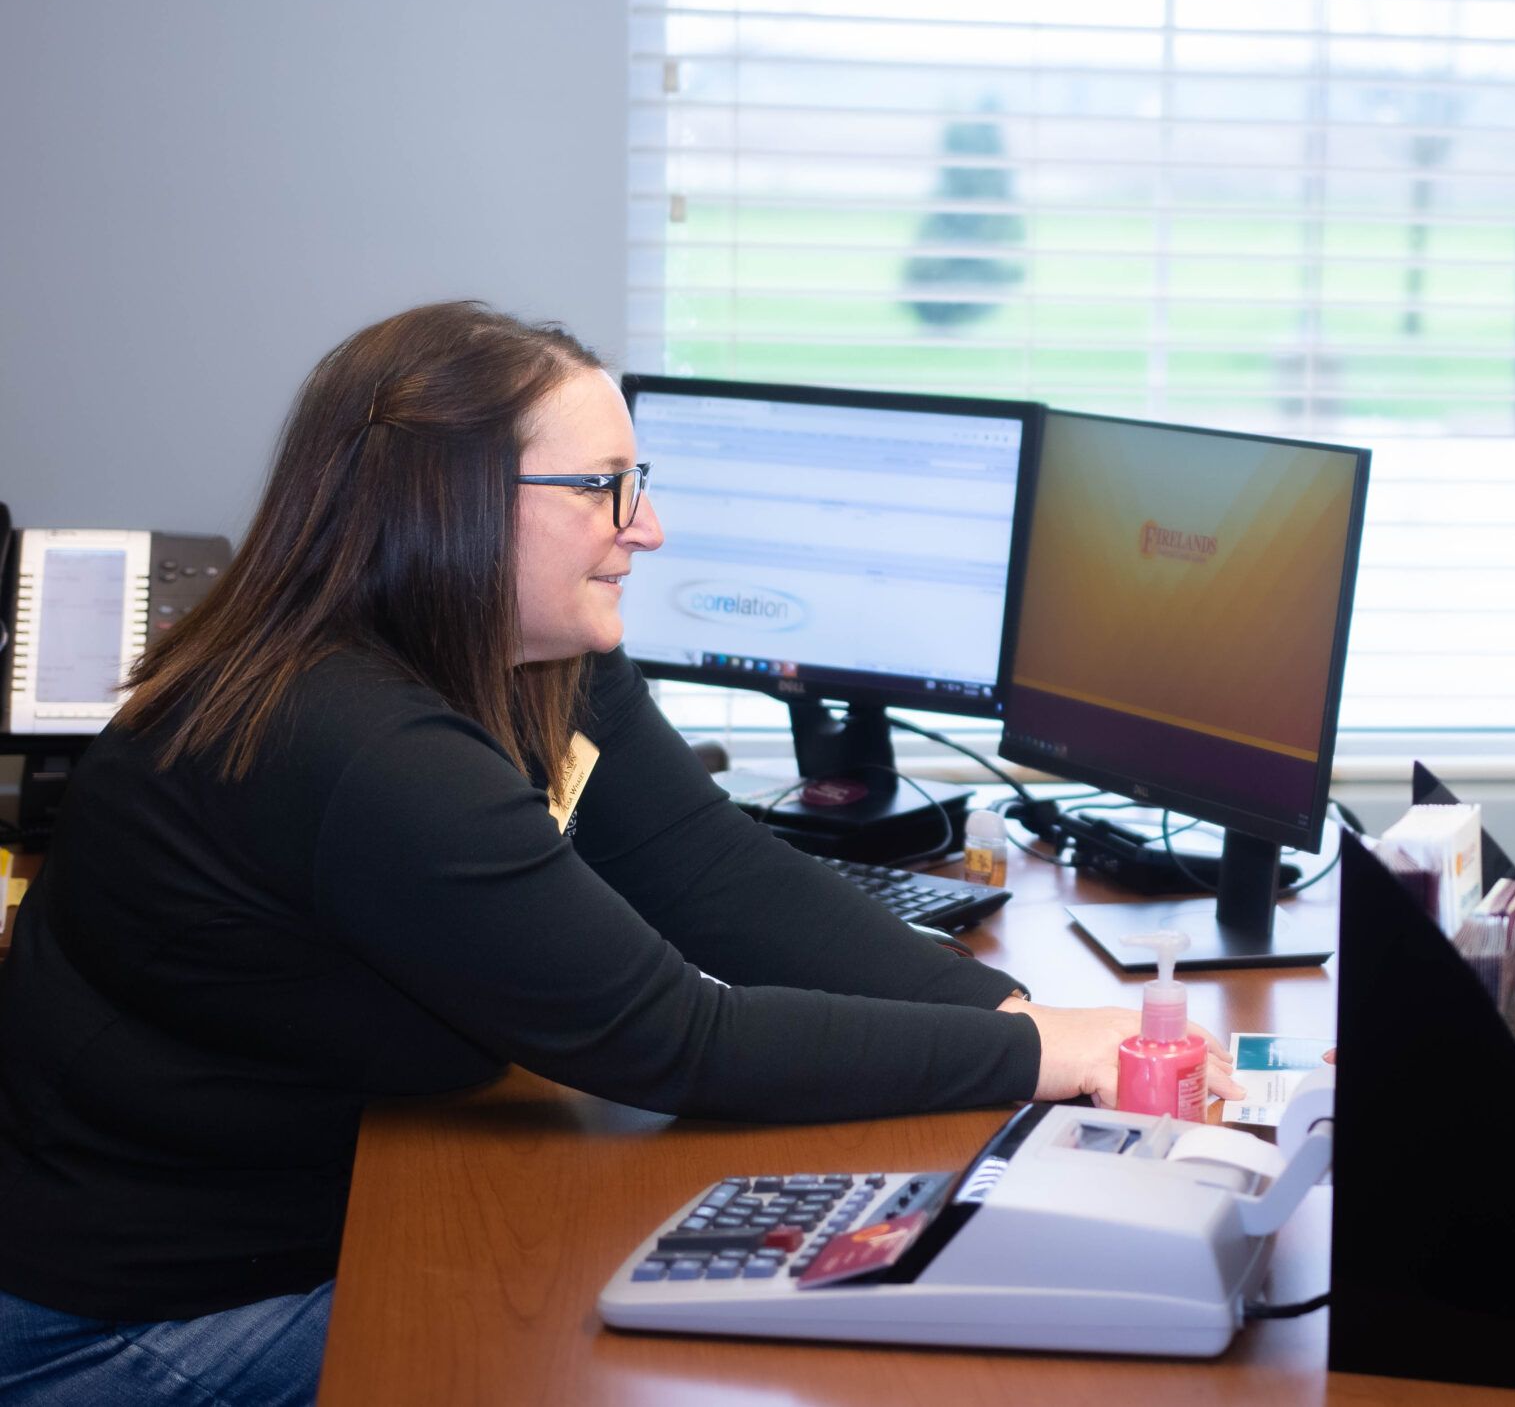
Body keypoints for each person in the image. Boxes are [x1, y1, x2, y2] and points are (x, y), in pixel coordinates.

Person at [0, 302, 1228, 1407]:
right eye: (605, 487)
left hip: (285, 1227)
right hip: (118, 1333)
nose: (647, 529)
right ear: (454, 502)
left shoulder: (537, 661)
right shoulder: (356, 745)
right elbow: (670, 1043)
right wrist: (1032, 1053)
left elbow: (713, 874)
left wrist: (1015, 1011)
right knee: (655, 1353)